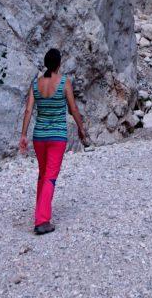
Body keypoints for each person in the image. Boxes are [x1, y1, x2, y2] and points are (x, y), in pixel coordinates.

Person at [19, 47, 89, 235]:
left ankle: (40, 213)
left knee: (43, 175)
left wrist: (23, 134)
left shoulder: (36, 84)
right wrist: (81, 129)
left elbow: (28, 111)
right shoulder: (64, 82)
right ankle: (42, 220)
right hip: (57, 136)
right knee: (50, 176)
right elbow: (73, 108)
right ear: (59, 64)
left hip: (39, 136)